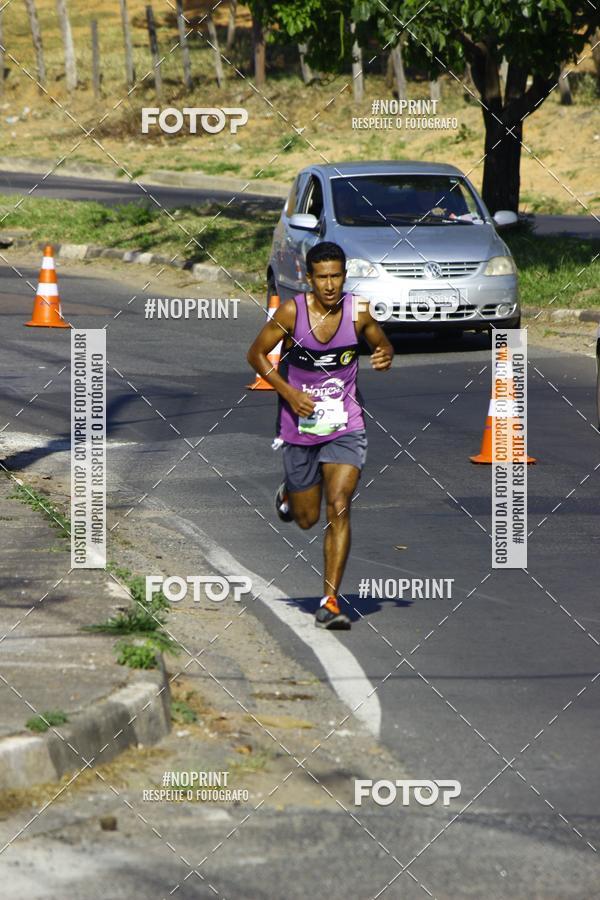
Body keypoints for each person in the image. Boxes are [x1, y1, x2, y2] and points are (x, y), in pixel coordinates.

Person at [247, 242, 394, 629]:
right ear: (309, 279)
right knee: (308, 518)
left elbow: (381, 343)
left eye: (336, 276)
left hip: (346, 423)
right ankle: (289, 493)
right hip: (300, 425)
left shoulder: (358, 311)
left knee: (340, 505)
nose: (330, 285)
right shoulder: (293, 312)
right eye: (322, 277)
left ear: (344, 276)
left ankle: (330, 601)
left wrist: (384, 355)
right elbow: (257, 355)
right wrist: (289, 392)